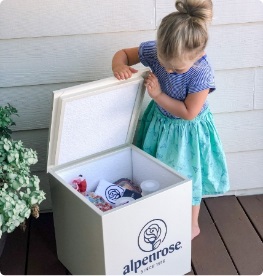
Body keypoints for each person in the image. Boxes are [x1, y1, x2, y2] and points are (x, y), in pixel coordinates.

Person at [112, 0, 229, 240]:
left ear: (199, 55)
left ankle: (191, 224)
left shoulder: (200, 73)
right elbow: (123, 53)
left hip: (187, 132)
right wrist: (119, 65)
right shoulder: (158, 51)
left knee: (188, 177)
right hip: (159, 123)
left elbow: (189, 112)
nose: (169, 70)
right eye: (164, 64)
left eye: (176, 69)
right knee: (155, 168)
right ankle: (159, 211)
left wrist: (157, 95)